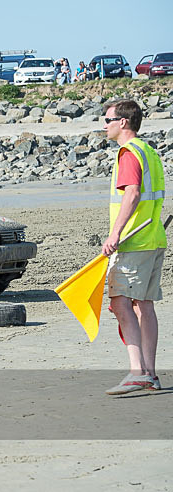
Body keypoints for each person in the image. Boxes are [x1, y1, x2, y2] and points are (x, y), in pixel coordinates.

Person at [100, 99, 167, 395]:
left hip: (133, 242)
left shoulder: (128, 152)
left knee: (119, 301)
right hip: (153, 239)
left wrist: (114, 234)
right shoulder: (149, 151)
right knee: (144, 306)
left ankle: (138, 371)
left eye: (107, 119)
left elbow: (132, 194)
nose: (104, 125)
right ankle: (149, 373)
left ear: (123, 122)